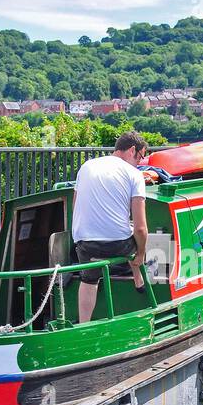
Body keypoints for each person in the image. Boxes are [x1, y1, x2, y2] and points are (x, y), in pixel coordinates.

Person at [71, 130, 149, 323]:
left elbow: (75, 205)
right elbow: (140, 227)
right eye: (141, 157)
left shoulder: (86, 166)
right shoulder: (135, 175)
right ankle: (138, 276)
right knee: (140, 241)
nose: (140, 162)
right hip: (118, 245)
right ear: (132, 150)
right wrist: (141, 253)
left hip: (85, 243)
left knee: (88, 280)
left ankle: (84, 324)